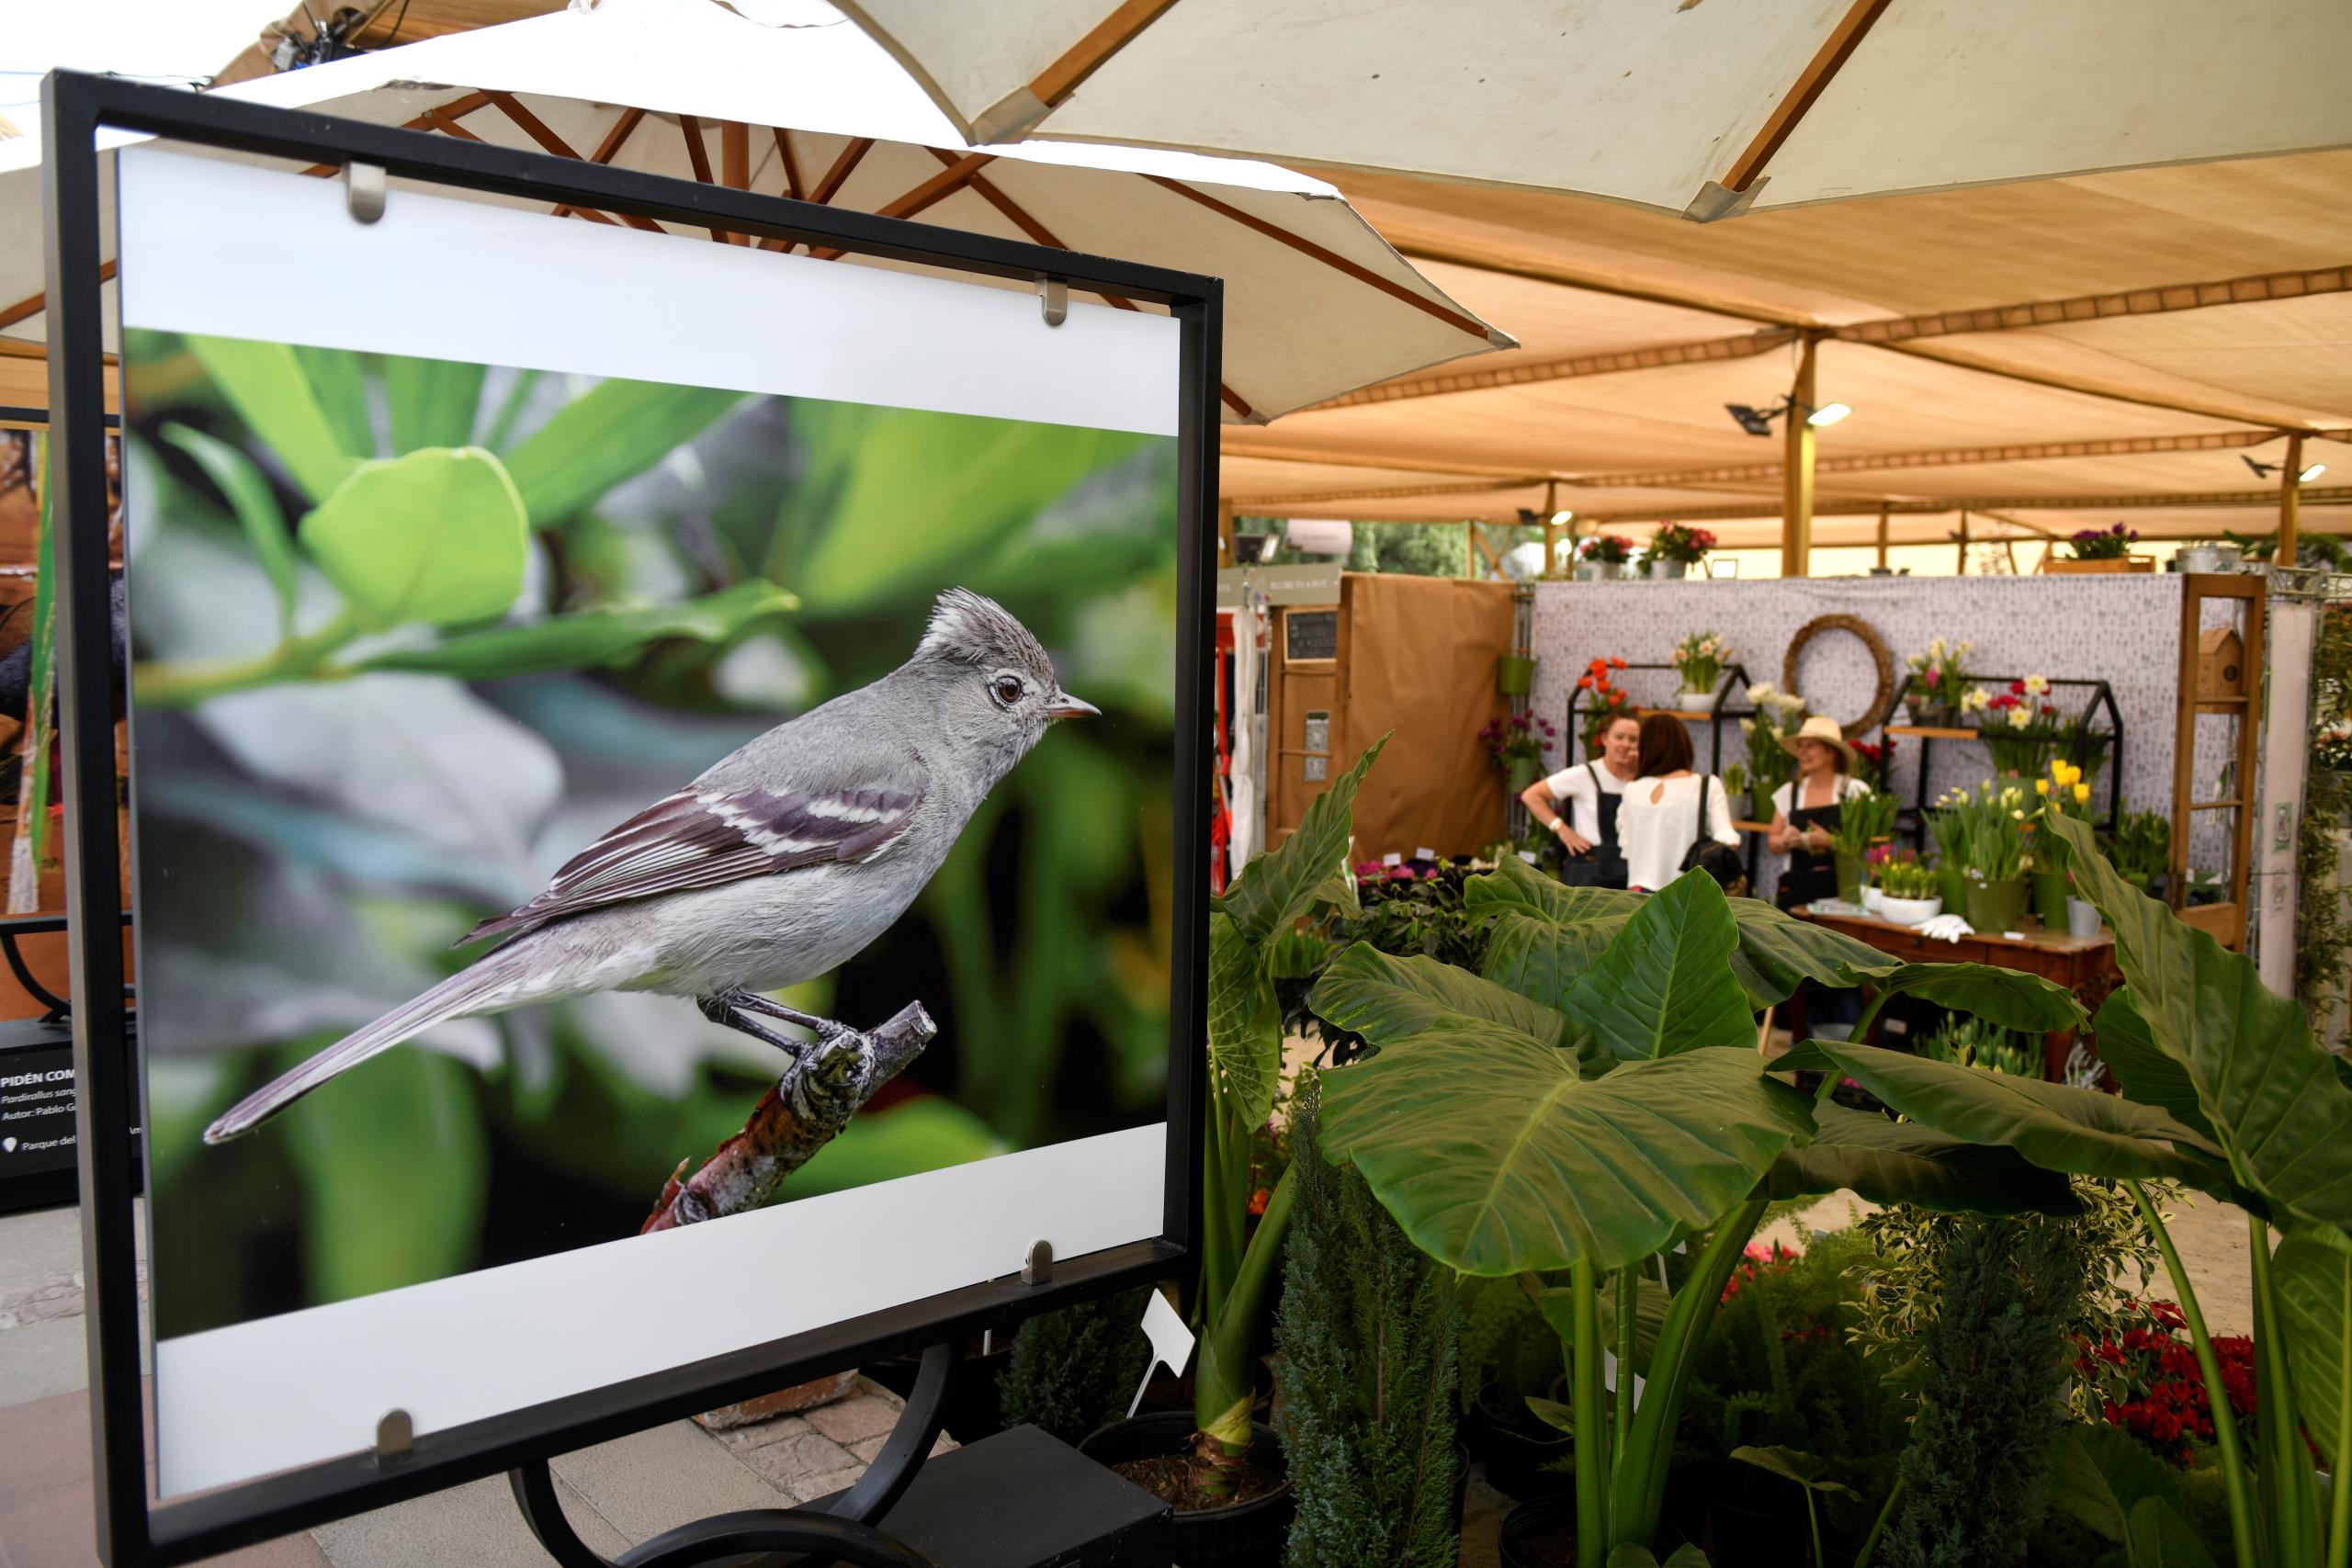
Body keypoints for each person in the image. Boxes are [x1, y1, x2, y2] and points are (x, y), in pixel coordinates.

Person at [1615, 713, 1737, 894]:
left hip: (1639, 893)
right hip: (1688, 894)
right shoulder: (1706, 785)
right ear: (1684, 745)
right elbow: (1727, 839)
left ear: (1645, 748)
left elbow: (1626, 842)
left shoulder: (1632, 789)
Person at [1767, 714, 1874, 912]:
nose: (1802, 752)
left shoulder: (1854, 792)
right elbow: (1773, 842)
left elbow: (1871, 843)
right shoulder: (1789, 792)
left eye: (1810, 746)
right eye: (1800, 746)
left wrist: (1833, 842)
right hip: (1797, 893)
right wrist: (1785, 840)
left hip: (1842, 894)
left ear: (1830, 753)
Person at [1519, 713, 1641, 888]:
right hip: (1588, 872)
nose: (1626, 744)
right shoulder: (1585, 774)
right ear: (1604, 739)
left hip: (1629, 873)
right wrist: (1561, 829)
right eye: (1619, 737)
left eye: (1633, 739)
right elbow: (1531, 795)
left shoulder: (1643, 779)